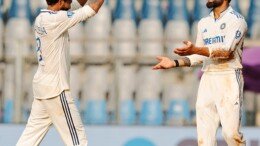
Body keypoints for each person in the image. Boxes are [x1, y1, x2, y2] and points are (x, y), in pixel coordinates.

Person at [153, 0, 247, 145]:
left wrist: (196, 49)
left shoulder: (237, 20)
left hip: (228, 76)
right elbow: (199, 56)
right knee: (204, 138)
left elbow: (226, 52)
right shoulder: (204, 22)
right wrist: (174, 62)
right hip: (208, 77)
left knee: (231, 135)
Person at [16, 0, 104, 145]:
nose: (71, 1)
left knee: (29, 139)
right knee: (78, 140)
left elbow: (79, 4)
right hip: (56, 90)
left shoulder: (42, 17)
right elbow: (91, 10)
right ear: (61, 2)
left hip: (42, 87)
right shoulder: (57, 19)